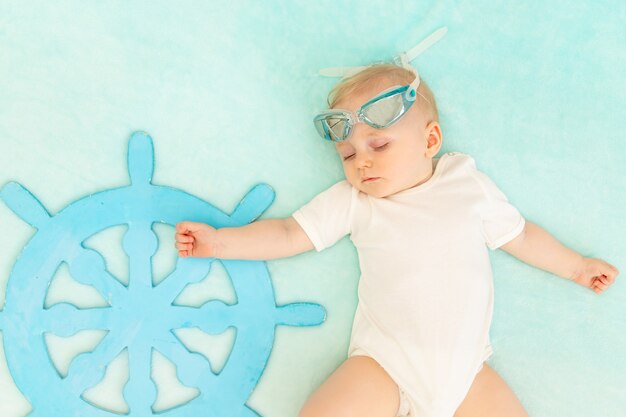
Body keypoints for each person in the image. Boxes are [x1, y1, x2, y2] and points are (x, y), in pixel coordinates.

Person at [174, 39, 619, 417]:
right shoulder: (356, 202)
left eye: (379, 144)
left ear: (430, 140)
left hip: (465, 373)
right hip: (384, 366)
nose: (361, 160)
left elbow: (519, 235)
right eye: (347, 155)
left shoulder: (465, 185)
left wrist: (576, 267)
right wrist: (218, 242)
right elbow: (291, 234)